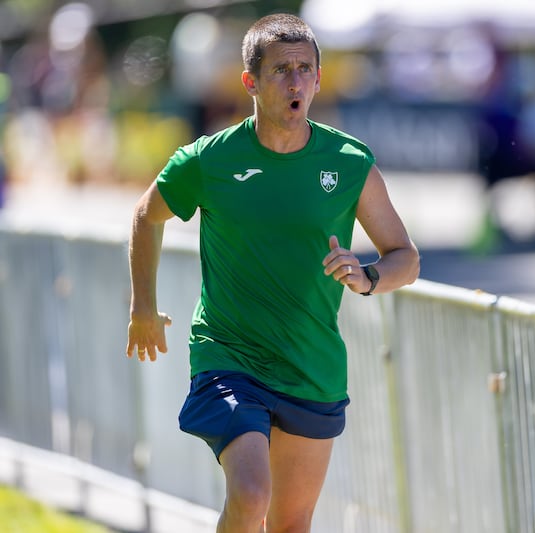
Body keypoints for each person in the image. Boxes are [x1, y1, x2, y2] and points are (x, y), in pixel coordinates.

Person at [125, 13, 419, 533]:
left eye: (306, 69)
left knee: (290, 524)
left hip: (311, 366)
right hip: (229, 356)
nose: (295, 81)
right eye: (281, 69)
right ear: (251, 82)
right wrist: (142, 308)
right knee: (252, 494)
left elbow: (405, 258)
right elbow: (148, 215)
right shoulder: (209, 160)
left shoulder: (349, 162)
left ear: (319, 80)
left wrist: (367, 275)